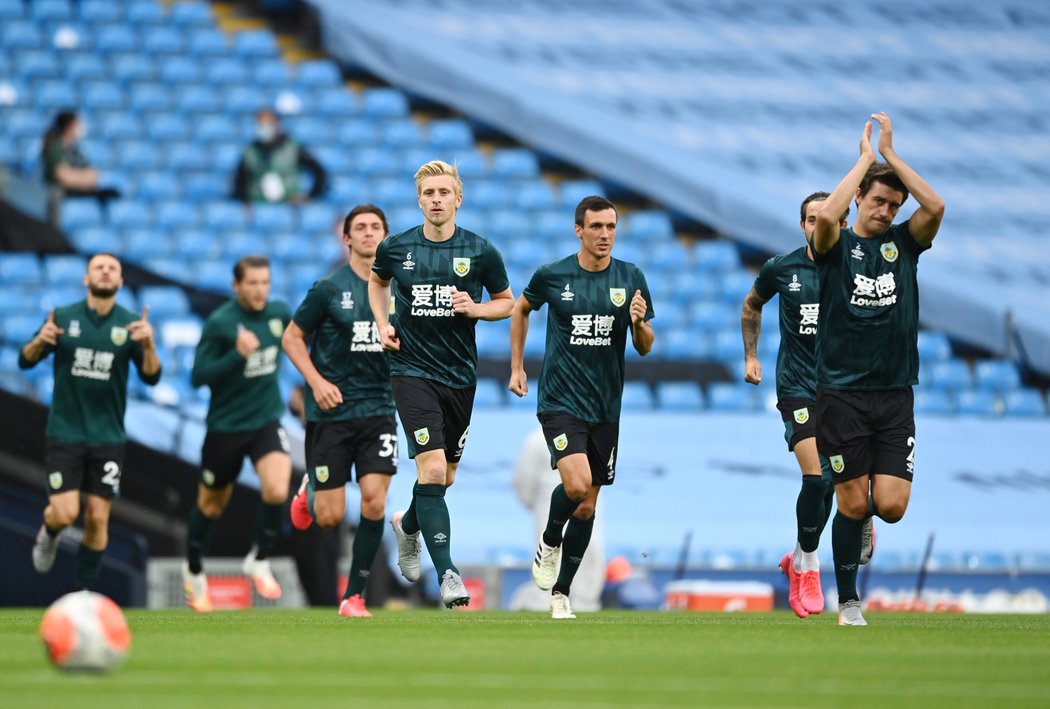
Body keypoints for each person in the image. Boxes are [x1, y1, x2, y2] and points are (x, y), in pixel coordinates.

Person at [811, 113, 945, 626]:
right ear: (860, 199)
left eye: (893, 205)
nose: (887, 211)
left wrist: (891, 156)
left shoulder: (905, 246)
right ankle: (848, 602)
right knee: (850, 499)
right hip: (841, 393)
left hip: (893, 395)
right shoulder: (835, 247)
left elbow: (934, 205)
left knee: (888, 505)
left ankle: (869, 520)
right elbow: (825, 219)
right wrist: (865, 160)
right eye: (878, 201)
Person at [368, 160, 514, 609]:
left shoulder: (480, 250)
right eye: (428, 193)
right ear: (419, 199)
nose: (436, 200)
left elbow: (507, 303)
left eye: (443, 192)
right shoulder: (397, 247)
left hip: (459, 377)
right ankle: (448, 574)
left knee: (443, 478)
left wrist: (475, 309)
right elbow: (378, 282)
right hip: (410, 372)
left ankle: (409, 524)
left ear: (458, 198)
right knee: (430, 471)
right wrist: (381, 322)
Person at [508, 195, 655, 619]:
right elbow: (521, 309)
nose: (605, 234)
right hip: (560, 401)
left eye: (611, 227)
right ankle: (550, 539)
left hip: (605, 407)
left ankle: (561, 594)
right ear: (579, 230)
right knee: (575, 485)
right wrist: (517, 367)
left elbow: (644, 348)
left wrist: (639, 323)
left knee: (588, 505)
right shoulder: (554, 275)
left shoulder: (631, 277)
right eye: (596, 227)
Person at [282, 204, 398, 618]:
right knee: (329, 518)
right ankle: (311, 486)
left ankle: (354, 597)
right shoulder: (329, 288)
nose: (369, 234)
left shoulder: (401, 289)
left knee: (373, 504)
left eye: (376, 228)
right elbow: (292, 338)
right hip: (331, 412)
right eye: (360, 228)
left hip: (380, 409)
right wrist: (316, 382)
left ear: (385, 237)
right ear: (347, 239)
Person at [19, 253, 160, 591]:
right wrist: (40, 341)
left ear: (121, 282)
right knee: (65, 514)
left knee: (98, 518)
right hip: (65, 432)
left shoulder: (130, 325)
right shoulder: (63, 317)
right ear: (87, 278)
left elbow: (152, 377)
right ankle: (49, 532)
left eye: (113, 269)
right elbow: (25, 361)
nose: (106, 272)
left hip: (108, 436)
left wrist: (149, 345)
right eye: (99, 267)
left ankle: (83, 593)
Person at [741, 192, 848, 619]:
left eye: (827, 218)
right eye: (810, 218)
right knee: (818, 480)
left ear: (842, 224)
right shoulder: (782, 268)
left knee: (838, 485)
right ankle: (809, 563)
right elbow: (752, 304)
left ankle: (800, 556)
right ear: (802, 224)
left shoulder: (856, 269)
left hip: (845, 391)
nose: (817, 225)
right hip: (798, 387)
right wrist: (751, 355)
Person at [183, 255, 293, 612]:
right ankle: (194, 569)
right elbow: (198, 376)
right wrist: (236, 355)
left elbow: (300, 340)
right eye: (252, 283)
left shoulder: (278, 313)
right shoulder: (220, 323)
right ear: (236, 286)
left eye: (265, 282)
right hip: (226, 427)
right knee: (210, 505)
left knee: (277, 488)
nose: (260, 290)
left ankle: (259, 558)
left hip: (265, 420)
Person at [511, 427, 605, 612]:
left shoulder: (592, 433)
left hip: (586, 503)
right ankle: (545, 602)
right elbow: (524, 481)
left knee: (589, 551)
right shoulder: (537, 440)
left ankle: (586, 603)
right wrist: (535, 504)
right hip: (549, 505)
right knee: (550, 554)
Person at [232, 108, 328, 204]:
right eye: (261, 124)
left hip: (288, 206)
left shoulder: (294, 147)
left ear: (277, 124)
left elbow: (319, 173)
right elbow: (239, 181)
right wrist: (245, 202)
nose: (264, 128)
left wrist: (309, 196)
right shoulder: (250, 151)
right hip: (259, 206)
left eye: (268, 124)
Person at [41, 110, 119, 227]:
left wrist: (74, 176)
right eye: (78, 123)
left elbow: (93, 176)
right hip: (58, 200)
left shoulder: (76, 152)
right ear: (69, 126)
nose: (81, 127)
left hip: (75, 194)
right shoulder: (54, 150)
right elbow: (64, 177)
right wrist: (81, 178)